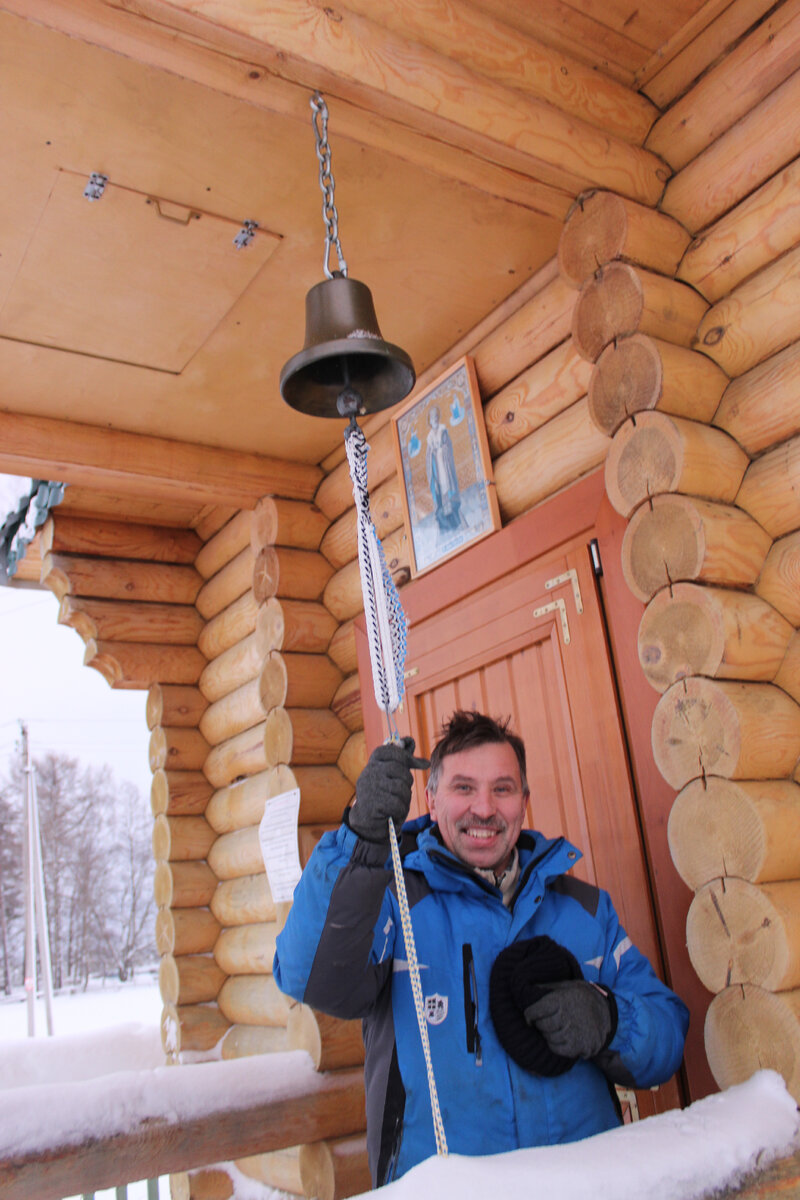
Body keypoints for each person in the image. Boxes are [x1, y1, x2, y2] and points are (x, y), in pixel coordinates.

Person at [273, 711, 689, 1187]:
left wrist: (611, 1020)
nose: (485, 809)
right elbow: (311, 976)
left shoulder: (585, 909)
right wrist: (362, 840)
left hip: (585, 1186)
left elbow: (667, 1040)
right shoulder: (392, 903)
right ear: (431, 798)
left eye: (503, 789)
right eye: (464, 788)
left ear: (525, 802)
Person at [425, 405, 463, 532]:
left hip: (445, 466)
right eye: (432, 417)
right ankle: (445, 523)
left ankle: (455, 518)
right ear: (429, 421)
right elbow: (428, 457)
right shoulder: (429, 437)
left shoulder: (443, 430)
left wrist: (442, 450)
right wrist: (433, 454)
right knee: (440, 490)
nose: (434, 419)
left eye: (436, 416)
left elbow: (448, 446)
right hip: (437, 468)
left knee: (448, 487)